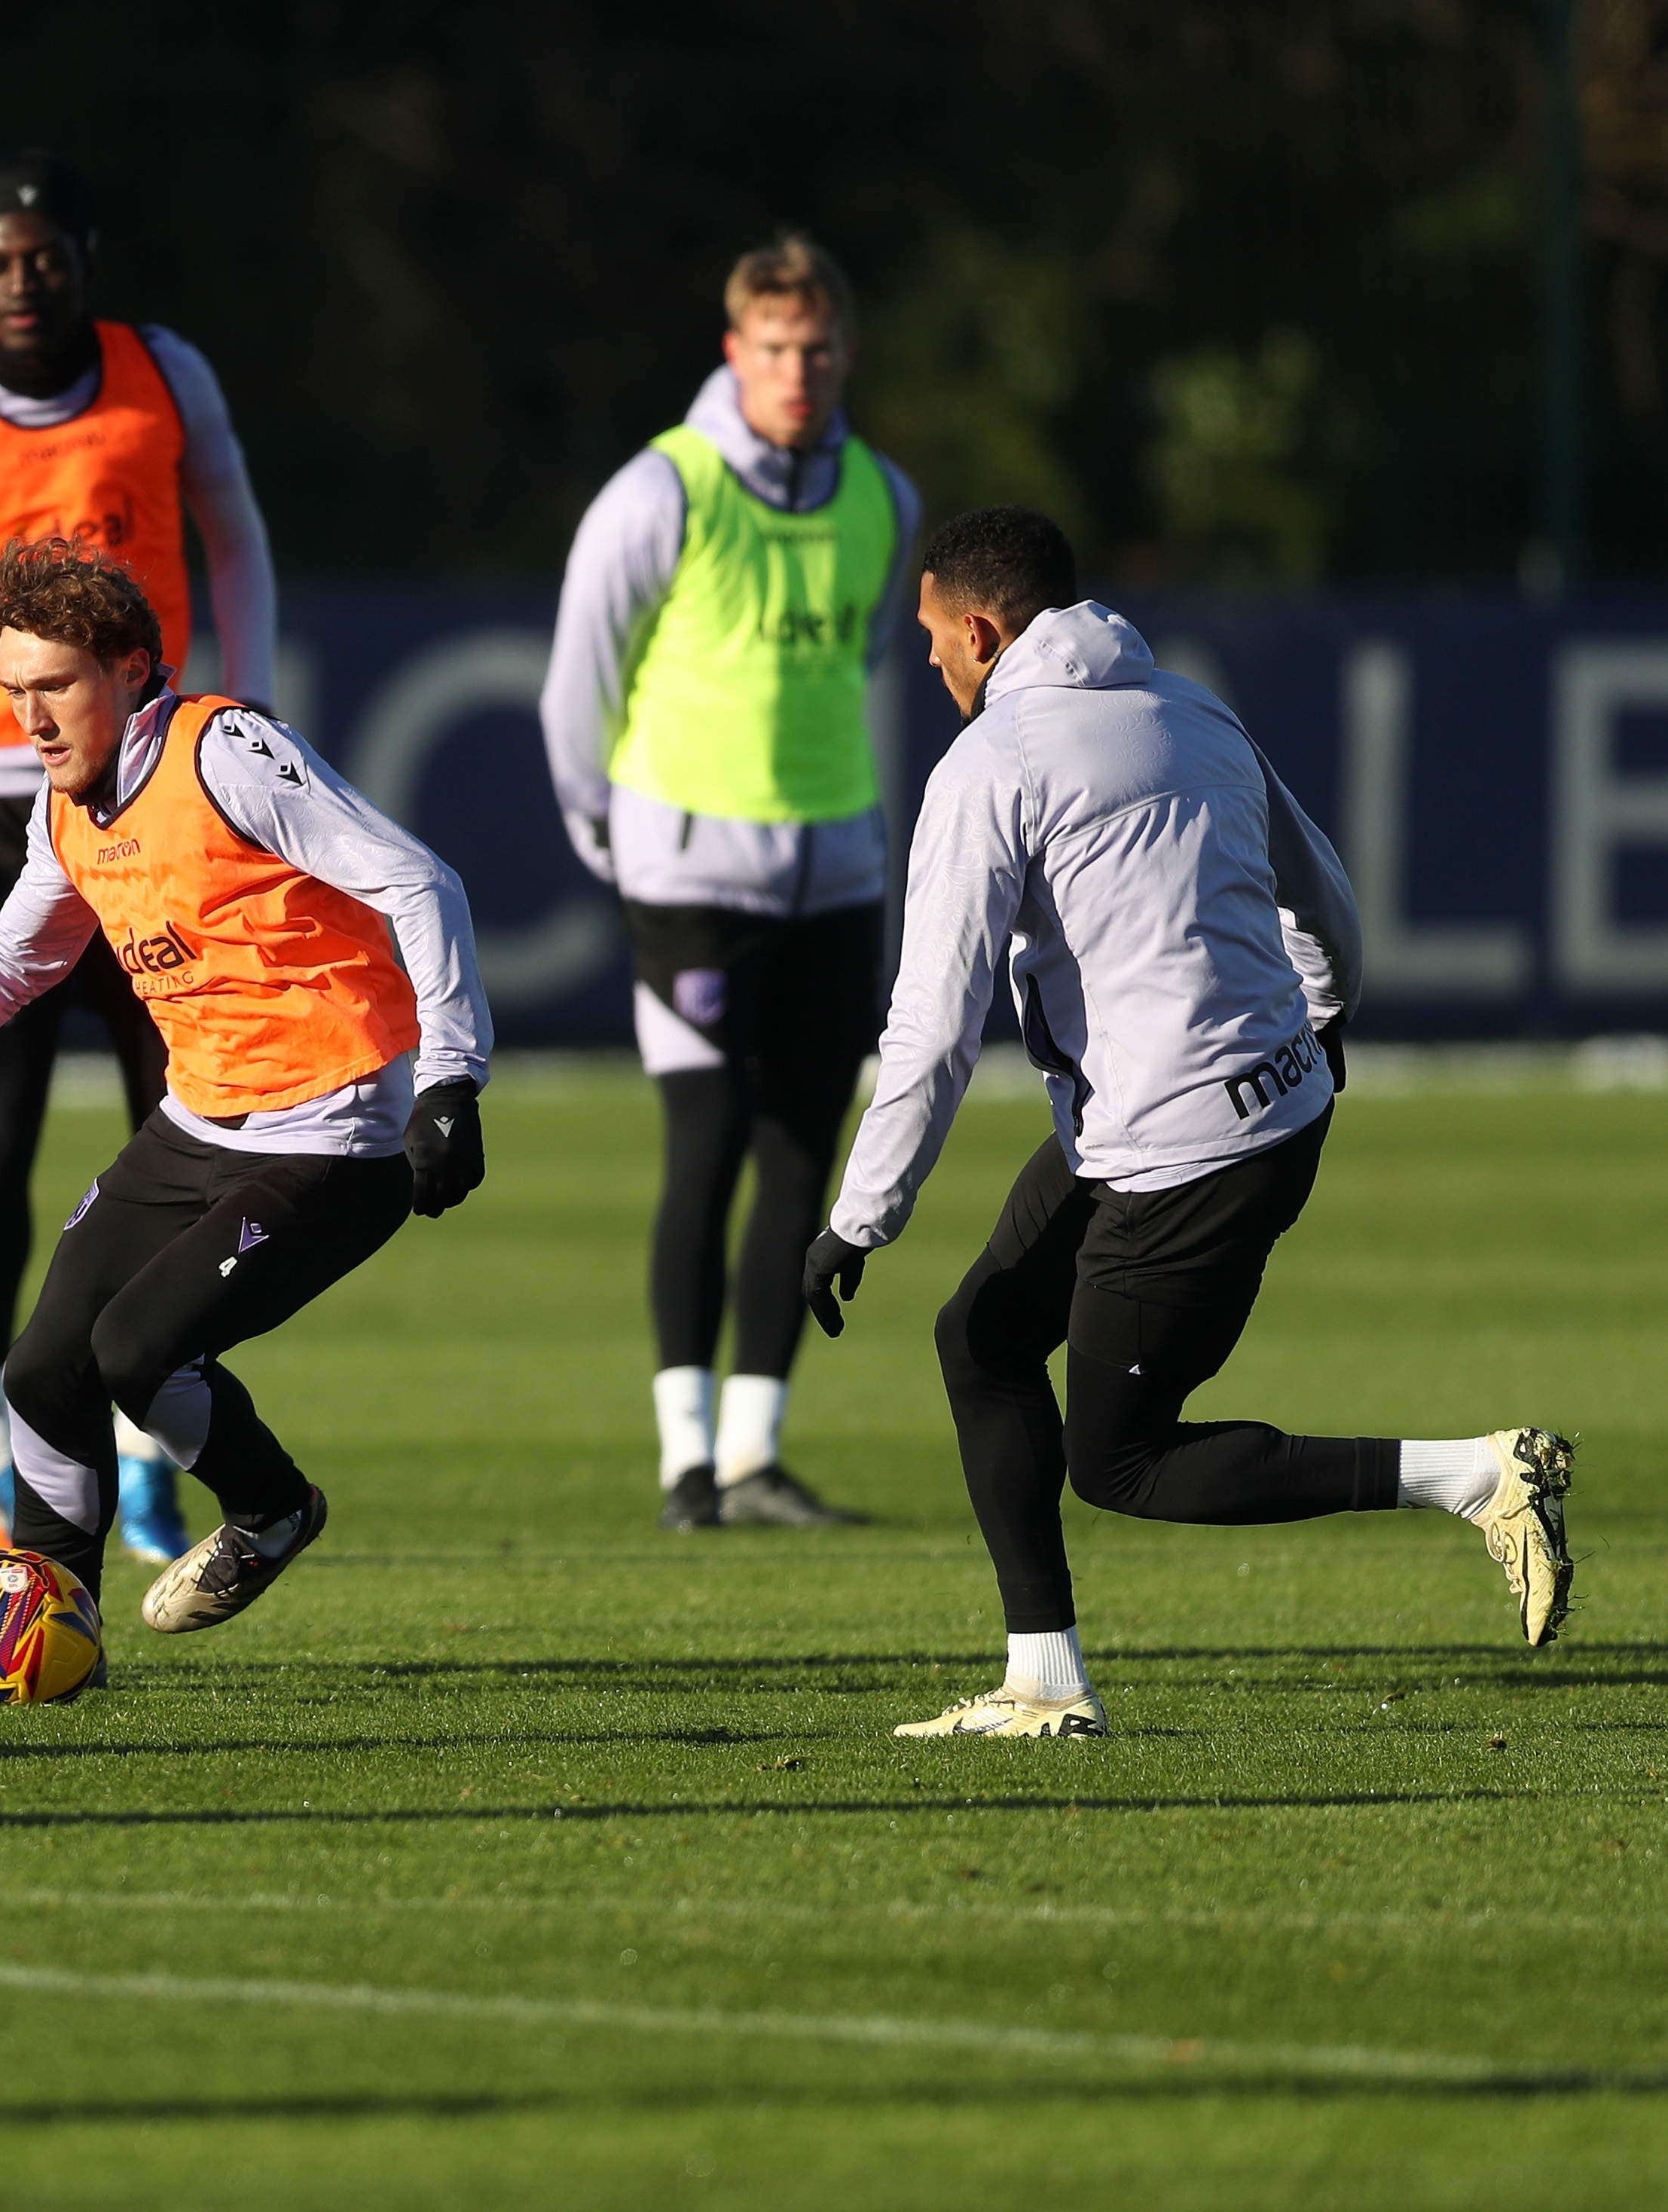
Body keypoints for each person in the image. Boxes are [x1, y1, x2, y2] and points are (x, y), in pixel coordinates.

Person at [802, 506, 1575, 1738]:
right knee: (983, 1338)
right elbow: (1318, 893)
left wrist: (857, 1217)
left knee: (1121, 1464)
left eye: (935, 635)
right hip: (1237, 1115)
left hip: (1183, 1159)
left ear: (985, 630)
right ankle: (1042, 1682)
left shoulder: (989, 765)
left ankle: (1474, 1475)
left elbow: (931, 1026)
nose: (930, 660)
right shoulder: (1186, 706)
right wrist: (1326, 1016)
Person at [0, 536, 489, 1634]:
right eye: (11, 691)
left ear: (132, 670)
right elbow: (9, 962)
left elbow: (418, 878)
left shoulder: (225, 752)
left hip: (328, 1139)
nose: (30, 718)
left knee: (136, 1350)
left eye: (54, 685)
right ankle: (50, 1632)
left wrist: (450, 1080)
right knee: (42, 1371)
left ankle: (272, 1507)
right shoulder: (63, 809)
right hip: (192, 1128)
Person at [0, 148, 280, 1564]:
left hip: (156, 787)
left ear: (82, 255)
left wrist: (240, 712)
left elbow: (238, 545)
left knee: (185, 1115)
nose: (22, 279)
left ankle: (148, 1424)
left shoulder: (165, 374)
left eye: (43, 254)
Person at [540, 232, 917, 1530]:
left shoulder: (883, 496)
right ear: (733, 351)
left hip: (837, 872)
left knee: (803, 1153)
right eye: (772, 349)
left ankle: (754, 1455)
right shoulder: (664, 493)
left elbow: (870, 657)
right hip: (688, 873)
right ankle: (682, 1460)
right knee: (701, 1146)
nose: (796, 371)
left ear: (844, 352)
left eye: (816, 349)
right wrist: (611, 836)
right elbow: (579, 679)